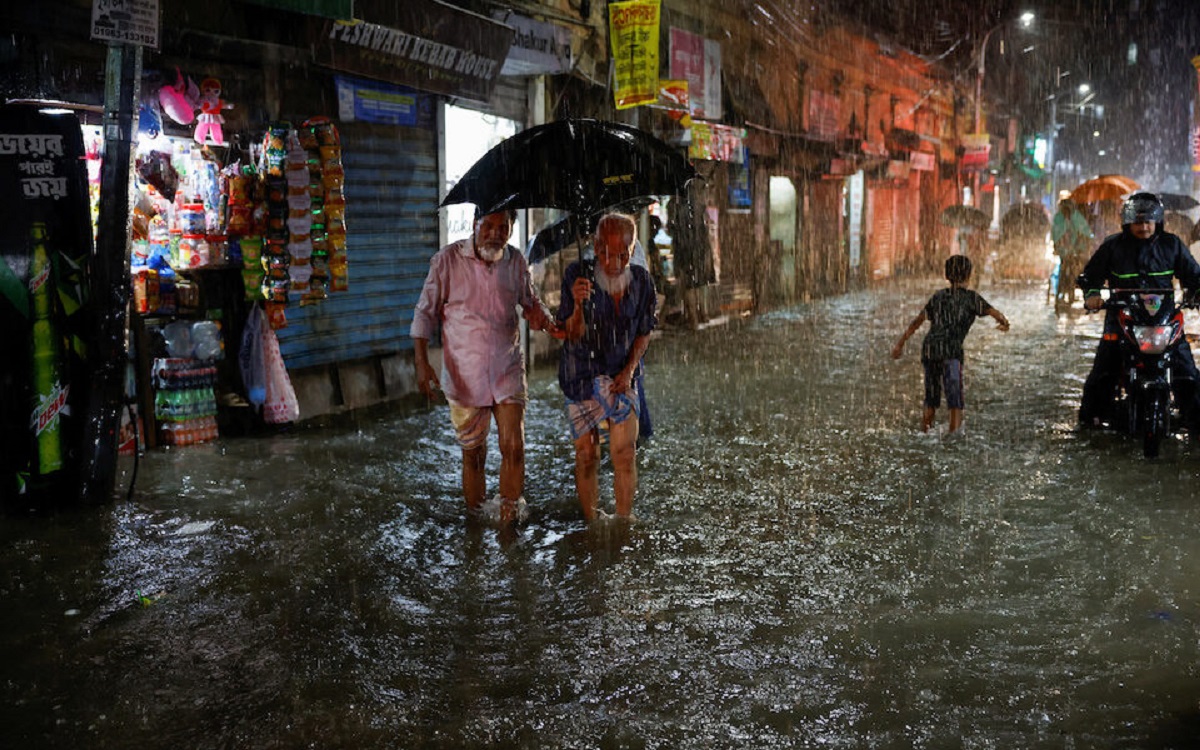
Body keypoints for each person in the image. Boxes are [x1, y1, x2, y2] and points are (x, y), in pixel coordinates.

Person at [411, 209, 562, 524]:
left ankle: (509, 524)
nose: (495, 233)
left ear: (510, 229)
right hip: (464, 375)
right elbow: (425, 313)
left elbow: (530, 302)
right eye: (489, 225)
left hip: (506, 367)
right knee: (474, 456)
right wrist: (422, 362)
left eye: (503, 227)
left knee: (513, 446)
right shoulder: (447, 261)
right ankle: (476, 525)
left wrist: (543, 318)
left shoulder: (516, 262)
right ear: (474, 225)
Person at [557, 213, 657, 520]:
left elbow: (644, 333)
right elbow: (570, 334)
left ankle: (623, 522)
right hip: (582, 376)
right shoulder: (578, 274)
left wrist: (628, 372)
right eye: (606, 253)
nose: (613, 261)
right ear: (596, 248)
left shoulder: (641, 281)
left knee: (624, 453)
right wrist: (576, 306)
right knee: (587, 455)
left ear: (632, 249)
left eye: (622, 254)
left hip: (621, 375)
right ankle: (592, 522)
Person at [1076, 192, 1200, 430]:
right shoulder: (1112, 246)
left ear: (1158, 223)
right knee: (1103, 370)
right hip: (1121, 318)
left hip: (1164, 320)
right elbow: (1090, 276)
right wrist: (1092, 295)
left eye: (1148, 222)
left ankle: (1194, 421)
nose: (1143, 227)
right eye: (1138, 223)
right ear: (1127, 223)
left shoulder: (1172, 244)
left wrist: (1196, 292)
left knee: (1187, 371)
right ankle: (1090, 420)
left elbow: (1193, 276)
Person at [891, 255, 1010, 433]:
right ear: (969, 275)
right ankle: (953, 437)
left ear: (947, 276)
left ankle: (925, 430)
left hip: (930, 349)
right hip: (951, 352)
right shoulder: (972, 299)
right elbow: (996, 314)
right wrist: (1004, 323)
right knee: (955, 399)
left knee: (931, 397)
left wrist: (900, 344)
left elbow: (917, 321)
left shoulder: (939, 296)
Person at [1051, 198, 1093, 304]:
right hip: (1063, 251)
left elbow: (1085, 233)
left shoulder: (1077, 218)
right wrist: (1058, 247)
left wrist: (1082, 246)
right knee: (1063, 268)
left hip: (1077, 250)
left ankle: (1075, 287)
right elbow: (1056, 235)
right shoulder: (1058, 218)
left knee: (1077, 269)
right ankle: (1061, 290)